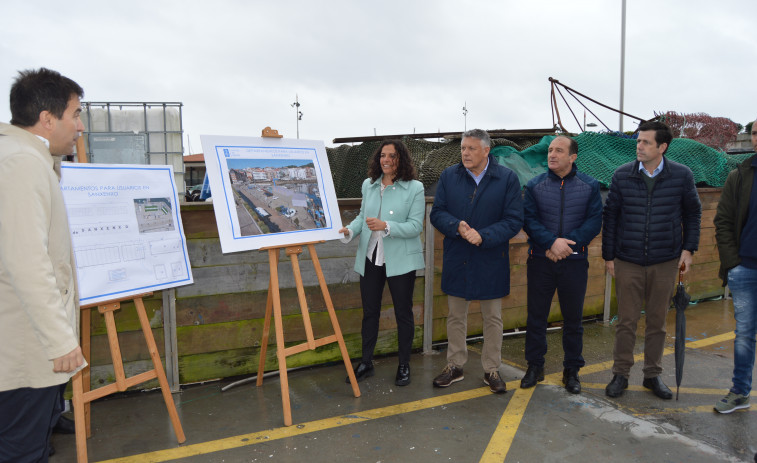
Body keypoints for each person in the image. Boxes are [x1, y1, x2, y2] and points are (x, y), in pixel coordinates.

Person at [0, 68, 86, 461]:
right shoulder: (22, 163)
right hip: (25, 344)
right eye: (76, 114)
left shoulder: (23, 157)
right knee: (23, 450)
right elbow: (27, 261)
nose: (80, 126)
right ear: (48, 118)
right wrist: (59, 339)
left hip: (22, 336)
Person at [603, 121, 701, 400]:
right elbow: (610, 216)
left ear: (662, 147)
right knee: (626, 321)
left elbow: (693, 214)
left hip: (665, 261)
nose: (639, 146)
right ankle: (620, 374)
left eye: (645, 142)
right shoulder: (622, 175)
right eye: (638, 141)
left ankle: (652, 375)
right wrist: (609, 256)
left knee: (657, 321)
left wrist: (688, 250)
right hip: (628, 260)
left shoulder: (682, 175)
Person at [429, 129, 523, 394]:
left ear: (486, 151)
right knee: (455, 316)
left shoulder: (507, 179)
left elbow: (515, 220)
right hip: (458, 257)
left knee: (492, 317)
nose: (465, 153)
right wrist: (456, 225)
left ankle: (491, 369)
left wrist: (484, 235)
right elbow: (437, 213)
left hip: (491, 257)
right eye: (463, 148)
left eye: (471, 149)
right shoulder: (449, 176)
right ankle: (454, 366)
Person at [520, 136, 602, 394]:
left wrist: (567, 246)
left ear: (573, 157)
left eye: (559, 150)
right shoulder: (534, 185)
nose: (552, 154)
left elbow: (594, 222)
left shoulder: (589, 186)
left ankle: (572, 370)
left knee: (573, 319)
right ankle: (535, 366)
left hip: (574, 262)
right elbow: (529, 221)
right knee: (536, 317)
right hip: (541, 262)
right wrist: (550, 244)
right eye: (550, 150)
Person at [339, 140, 425, 386]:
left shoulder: (415, 188)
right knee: (370, 313)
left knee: (403, 314)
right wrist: (349, 231)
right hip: (371, 257)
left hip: (400, 261)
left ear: (402, 159)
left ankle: (404, 365)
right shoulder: (369, 185)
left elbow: (415, 226)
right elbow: (361, 217)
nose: (386, 160)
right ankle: (366, 363)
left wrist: (386, 226)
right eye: (383, 156)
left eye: (392, 156)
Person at [713, 119, 757, 413]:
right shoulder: (740, 175)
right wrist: (733, 264)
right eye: (755, 133)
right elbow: (723, 221)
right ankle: (740, 392)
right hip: (746, 269)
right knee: (744, 335)